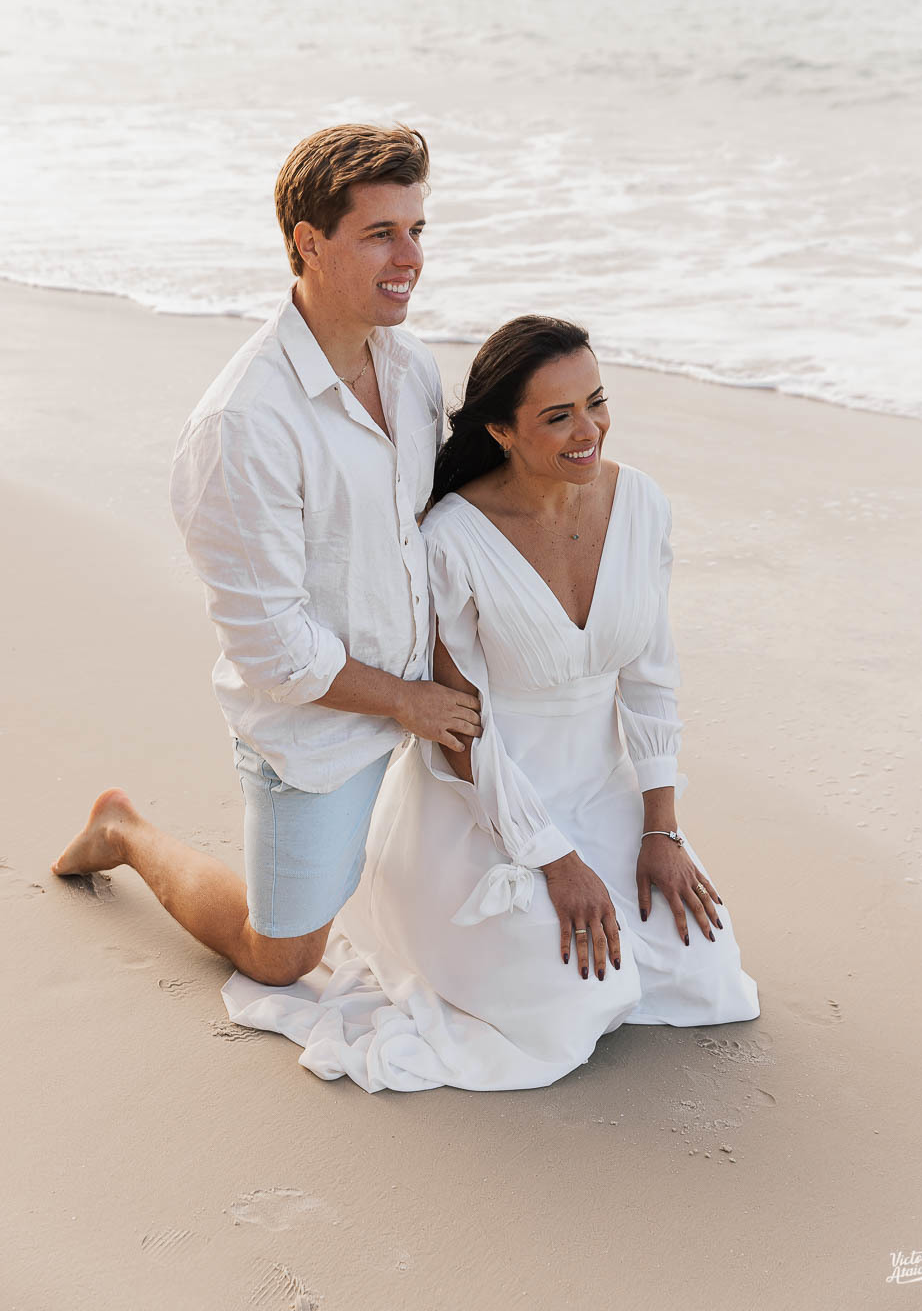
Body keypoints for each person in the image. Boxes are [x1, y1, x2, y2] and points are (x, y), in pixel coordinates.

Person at [221, 315, 761, 1090]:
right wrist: (553, 857)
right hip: (486, 800)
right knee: (579, 1002)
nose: (589, 430)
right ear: (503, 431)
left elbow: (650, 679)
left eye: (597, 401)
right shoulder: (454, 537)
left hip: (602, 790)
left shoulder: (640, 503)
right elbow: (459, 727)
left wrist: (661, 829)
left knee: (709, 980)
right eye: (558, 416)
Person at [50, 123, 480, 987]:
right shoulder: (243, 424)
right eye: (381, 234)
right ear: (307, 244)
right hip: (317, 728)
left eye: (418, 230)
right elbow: (274, 649)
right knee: (281, 957)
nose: (412, 257)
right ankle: (123, 828)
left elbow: (430, 531)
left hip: (417, 695)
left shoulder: (412, 369)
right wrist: (410, 703)